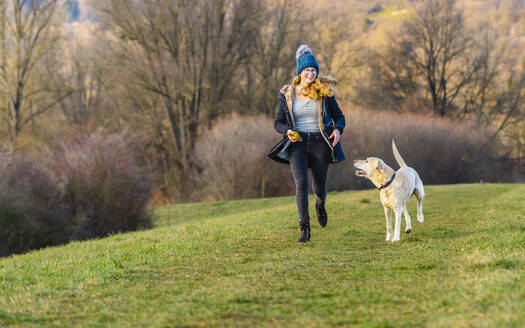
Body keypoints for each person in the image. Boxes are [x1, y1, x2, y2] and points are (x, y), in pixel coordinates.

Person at [268, 44, 346, 243]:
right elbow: (278, 122)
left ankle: (320, 204)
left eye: (314, 70)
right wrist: (287, 131)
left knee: (319, 187)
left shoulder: (324, 92)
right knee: (300, 184)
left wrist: (337, 130)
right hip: (298, 143)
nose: (311, 74)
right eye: (307, 70)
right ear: (300, 72)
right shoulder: (287, 94)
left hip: (321, 142)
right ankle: (305, 229)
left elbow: (339, 117)